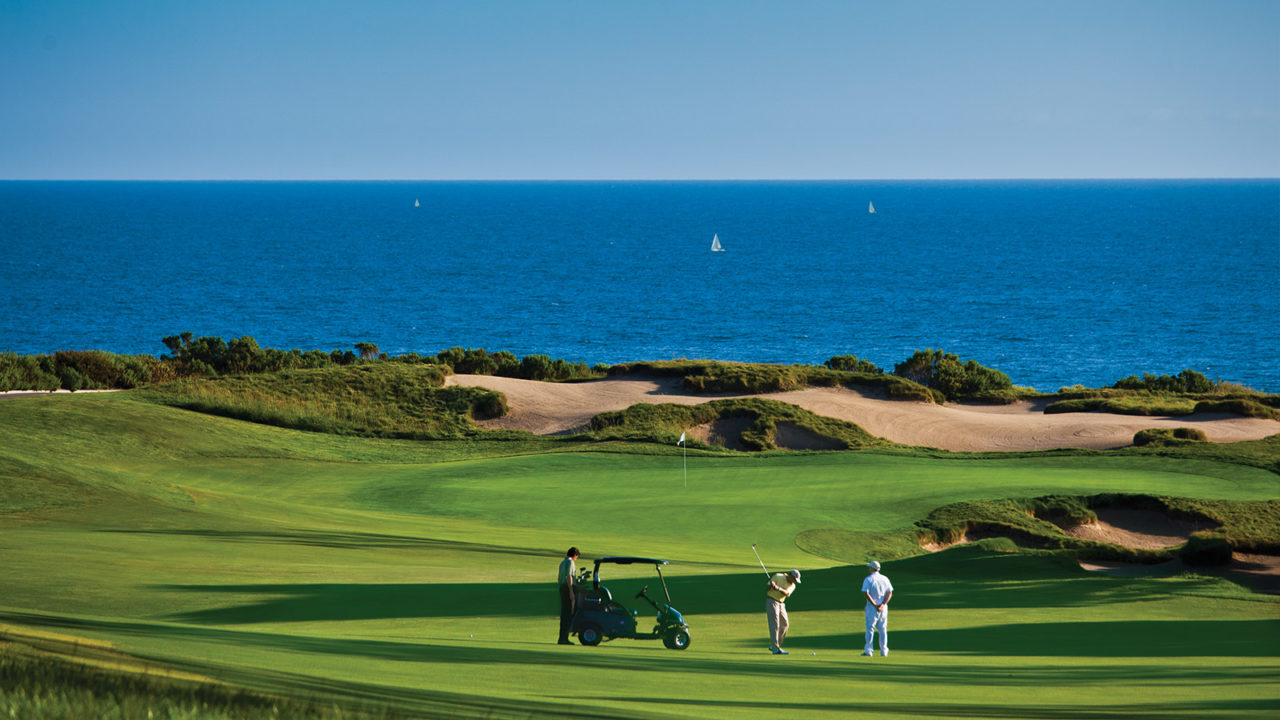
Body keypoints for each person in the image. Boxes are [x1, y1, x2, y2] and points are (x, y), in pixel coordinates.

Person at [861, 560, 893, 656]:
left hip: (872, 607)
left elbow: (866, 593)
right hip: (883, 608)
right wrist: (883, 604)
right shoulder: (885, 579)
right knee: (882, 629)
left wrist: (875, 605)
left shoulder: (868, 579)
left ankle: (869, 651)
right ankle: (884, 651)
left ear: (872, 568)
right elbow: (889, 592)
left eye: (869, 567)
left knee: (870, 628)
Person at [765, 568, 801, 655]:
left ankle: (774, 645)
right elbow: (767, 588)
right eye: (794, 579)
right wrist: (772, 585)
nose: (795, 581)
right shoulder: (778, 576)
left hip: (781, 603)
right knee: (775, 624)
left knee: (785, 624)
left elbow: (786, 593)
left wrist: (778, 588)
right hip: (772, 601)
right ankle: (775, 649)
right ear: (790, 575)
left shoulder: (792, 585)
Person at [557, 547, 580, 645]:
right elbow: (569, 576)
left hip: (562, 587)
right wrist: (571, 591)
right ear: (575, 555)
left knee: (564, 613)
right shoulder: (570, 562)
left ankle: (562, 637)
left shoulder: (563, 562)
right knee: (568, 613)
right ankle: (564, 639)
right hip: (567, 588)